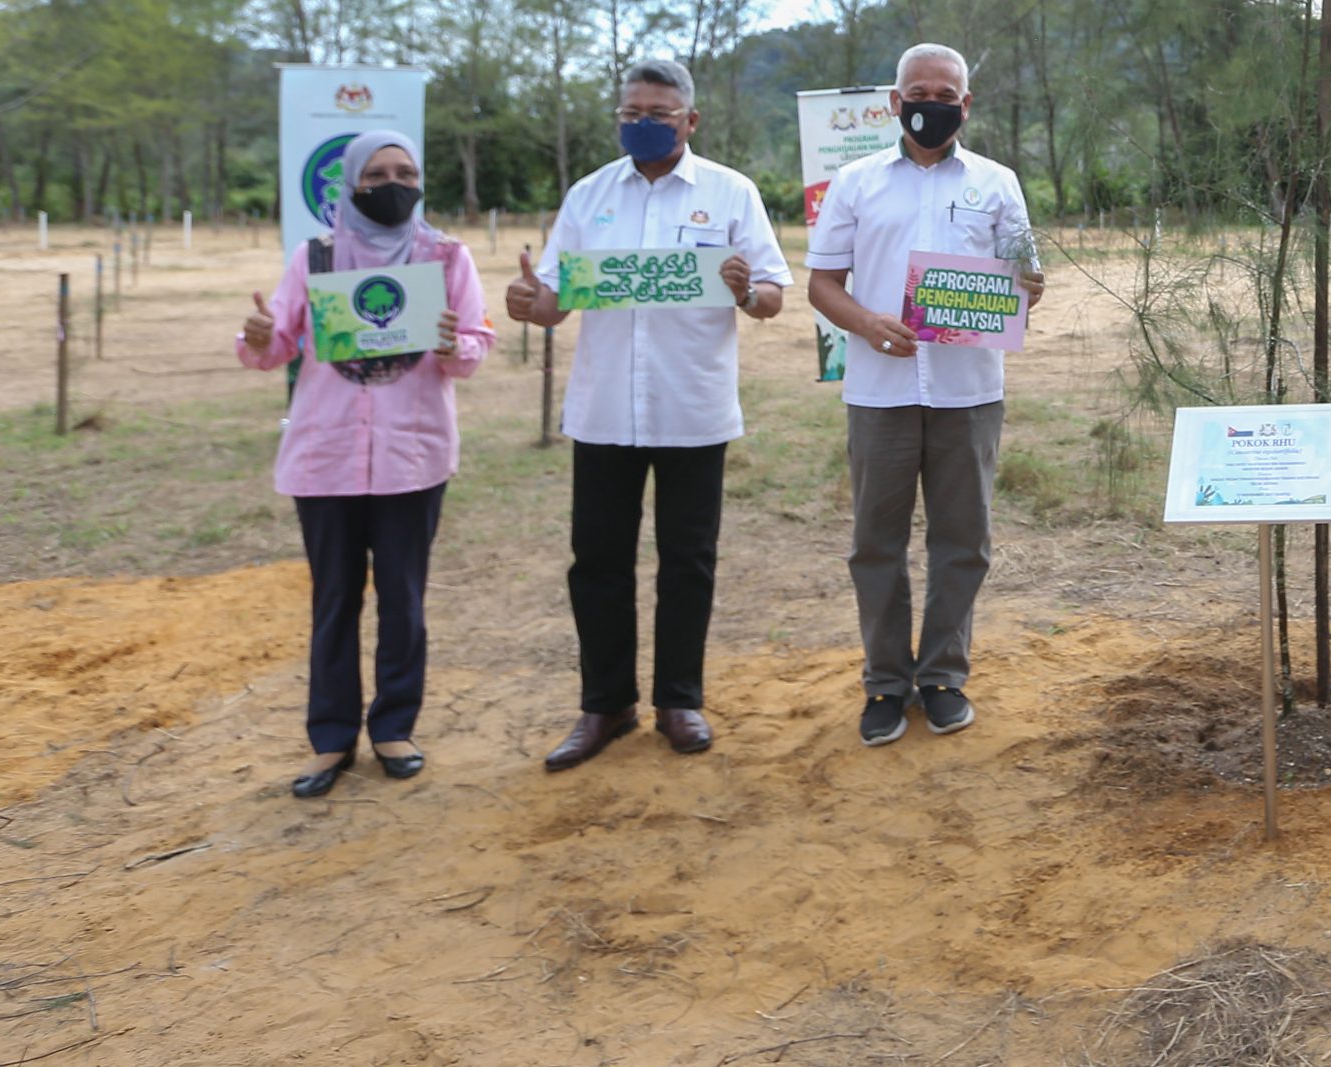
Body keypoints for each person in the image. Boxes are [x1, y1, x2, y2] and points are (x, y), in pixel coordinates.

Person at [506, 58, 792, 770]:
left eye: (659, 114)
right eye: (631, 111)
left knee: (687, 561)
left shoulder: (732, 192)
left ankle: (678, 699)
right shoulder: (589, 195)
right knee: (597, 561)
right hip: (603, 409)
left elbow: (772, 297)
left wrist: (743, 289)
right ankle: (605, 704)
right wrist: (528, 304)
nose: (642, 123)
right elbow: (554, 301)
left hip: (691, 406)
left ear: (690, 121)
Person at [237, 130, 494, 798]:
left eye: (405, 171)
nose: (392, 184)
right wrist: (259, 338)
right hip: (326, 457)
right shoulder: (317, 256)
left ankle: (394, 726)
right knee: (334, 599)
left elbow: (473, 344)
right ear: (350, 185)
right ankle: (330, 738)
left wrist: (452, 344)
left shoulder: (445, 256)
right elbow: (277, 344)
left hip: (413, 455)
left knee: (403, 597)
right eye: (376, 174)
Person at [807, 43, 1043, 747]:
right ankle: (885, 683)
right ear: (894, 101)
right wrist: (867, 325)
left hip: (968, 391)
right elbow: (822, 283)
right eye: (918, 91)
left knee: (961, 540)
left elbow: (1026, 277)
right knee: (874, 544)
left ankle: (943, 676)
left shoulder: (999, 183)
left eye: (945, 93)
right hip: (878, 391)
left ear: (965, 105)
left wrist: (1029, 285)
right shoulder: (853, 183)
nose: (929, 103)